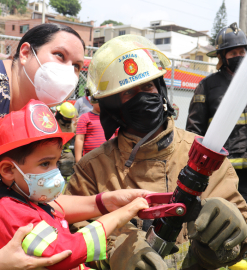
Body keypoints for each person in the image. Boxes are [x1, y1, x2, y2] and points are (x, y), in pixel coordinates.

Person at [65, 34, 247, 270]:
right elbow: (73, 233)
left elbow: (242, 241)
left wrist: (228, 233)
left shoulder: (204, 157)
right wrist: (118, 251)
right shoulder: (92, 169)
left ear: (161, 89)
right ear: (113, 107)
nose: (143, 97)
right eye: (129, 93)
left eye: (148, 86)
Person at [0, 99, 151, 270]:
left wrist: (108, 201)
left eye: (56, 163)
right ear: (8, 170)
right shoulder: (11, 211)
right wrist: (120, 215)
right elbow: (62, 253)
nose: (55, 172)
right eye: (45, 164)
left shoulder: (28, 199)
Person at [0, 22, 85, 269]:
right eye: (60, 56)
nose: (69, 73)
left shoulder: (32, 112)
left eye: (77, 66)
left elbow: (32, 199)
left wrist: (106, 202)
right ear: (25, 53)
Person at [186, 22, 247, 207]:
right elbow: (194, 128)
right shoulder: (207, 86)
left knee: (243, 210)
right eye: (233, 53)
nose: (239, 56)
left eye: (242, 52)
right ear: (222, 57)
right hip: (219, 165)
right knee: (217, 210)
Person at [55, 102, 77, 177]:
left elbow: (77, 136)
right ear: (60, 115)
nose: (68, 120)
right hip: (52, 150)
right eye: (66, 118)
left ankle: (65, 178)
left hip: (65, 151)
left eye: (69, 118)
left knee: (69, 159)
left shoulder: (72, 126)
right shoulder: (53, 124)